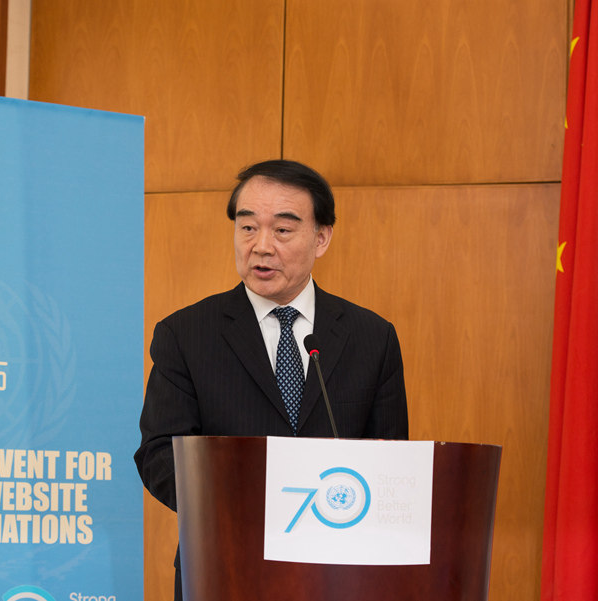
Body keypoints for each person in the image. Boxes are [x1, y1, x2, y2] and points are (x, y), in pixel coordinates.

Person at [134, 159, 409, 600]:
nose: (261, 246)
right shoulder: (185, 334)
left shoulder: (371, 337)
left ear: (321, 238)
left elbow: (391, 462)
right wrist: (260, 506)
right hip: (224, 570)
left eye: (282, 230)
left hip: (340, 576)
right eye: (247, 228)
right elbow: (159, 456)